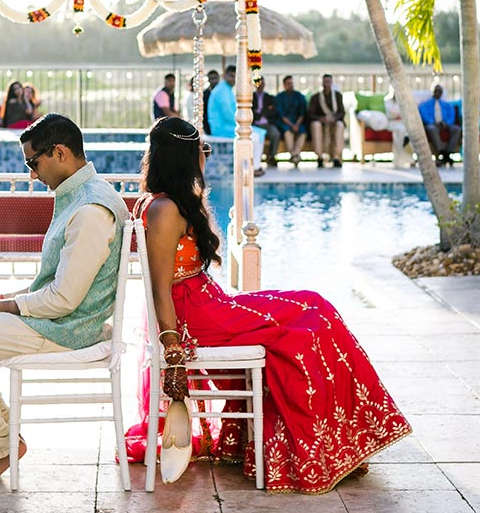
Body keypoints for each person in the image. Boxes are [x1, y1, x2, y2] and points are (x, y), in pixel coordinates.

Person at [123, 117, 411, 493]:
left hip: (209, 304)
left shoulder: (171, 203)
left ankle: (335, 442)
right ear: (184, 159)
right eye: (202, 152)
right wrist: (173, 349)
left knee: (314, 305)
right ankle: (317, 447)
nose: (205, 159)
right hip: (198, 317)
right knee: (310, 319)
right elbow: (161, 289)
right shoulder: (164, 211)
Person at [0, 114, 128, 484]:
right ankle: (3, 441)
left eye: (34, 163)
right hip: (53, 321)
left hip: (65, 329)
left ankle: (0, 446)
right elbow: (55, 287)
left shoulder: (91, 209)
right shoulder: (81, 196)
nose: (32, 174)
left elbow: (63, 300)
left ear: (59, 153)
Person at [206, 65, 266, 176]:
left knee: (260, 133)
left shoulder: (226, 89)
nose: (233, 79)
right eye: (231, 76)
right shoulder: (221, 90)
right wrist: (244, 122)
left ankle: (254, 165)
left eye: (235, 76)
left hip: (229, 125)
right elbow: (228, 114)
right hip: (221, 128)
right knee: (255, 136)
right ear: (225, 75)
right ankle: (253, 167)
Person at [307, 73, 346, 167]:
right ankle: (319, 157)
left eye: (328, 82)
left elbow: (342, 112)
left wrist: (334, 118)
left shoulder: (337, 96)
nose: (326, 84)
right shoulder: (315, 97)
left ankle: (336, 157)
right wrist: (321, 119)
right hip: (320, 123)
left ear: (331, 83)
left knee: (340, 125)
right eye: (324, 82)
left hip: (334, 122)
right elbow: (310, 113)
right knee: (315, 125)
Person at [418, 84, 460, 166]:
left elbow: (452, 116)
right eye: (436, 91)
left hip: (445, 124)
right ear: (432, 92)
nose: (438, 93)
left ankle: (448, 152)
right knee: (431, 129)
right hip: (433, 124)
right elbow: (424, 116)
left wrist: (447, 123)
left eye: (439, 91)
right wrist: (432, 122)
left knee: (457, 129)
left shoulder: (447, 105)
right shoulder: (425, 105)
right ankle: (442, 152)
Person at [275, 75, 308, 166]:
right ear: (284, 85)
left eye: (292, 83)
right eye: (288, 84)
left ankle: (295, 154)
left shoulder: (299, 96)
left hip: (298, 122)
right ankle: (294, 155)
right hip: (286, 123)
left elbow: (302, 113)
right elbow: (282, 115)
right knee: (287, 131)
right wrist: (291, 125)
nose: (291, 85)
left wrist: (296, 124)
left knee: (303, 132)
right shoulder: (280, 97)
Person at [251, 76, 280, 166]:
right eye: (258, 83)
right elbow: (251, 112)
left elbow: (273, 111)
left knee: (275, 133)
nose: (260, 85)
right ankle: (254, 159)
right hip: (254, 124)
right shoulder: (250, 97)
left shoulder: (270, 97)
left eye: (262, 83)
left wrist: (259, 112)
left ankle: (271, 156)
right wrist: (264, 111)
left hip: (267, 124)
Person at [201, 69, 219, 135]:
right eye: (211, 78)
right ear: (208, 80)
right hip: (208, 124)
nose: (214, 80)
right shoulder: (204, 94)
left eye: (215, 78)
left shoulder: (221, 93)